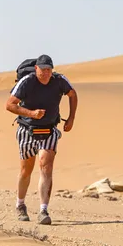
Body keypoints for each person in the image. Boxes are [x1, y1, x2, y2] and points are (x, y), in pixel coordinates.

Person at [5, 54, 78, 225]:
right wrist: (31, 113)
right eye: (42, 69)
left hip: (49, 130)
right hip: (27, 130)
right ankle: (20, 205)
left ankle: (43, 210)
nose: (45, 73)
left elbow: (72, 94)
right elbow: (9, 105)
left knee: (46, 166)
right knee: (26, 171)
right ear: (36, 68)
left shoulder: (59, 80)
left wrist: (72, 118)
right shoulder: (27, 82)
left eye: (48, 69)